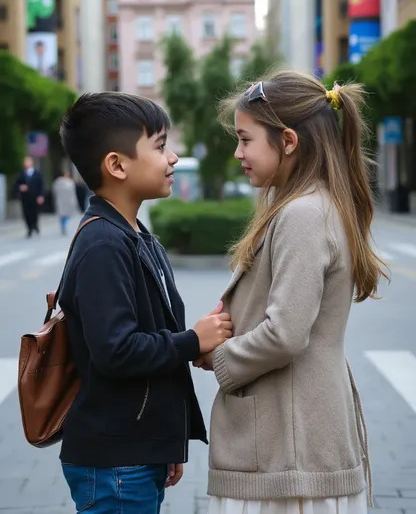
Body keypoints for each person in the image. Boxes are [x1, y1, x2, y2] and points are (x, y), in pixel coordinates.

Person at [194, 72, 388, 514]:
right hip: (293, 441)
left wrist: (218, 356)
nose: (238, 152)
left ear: (287, 141)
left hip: (290, 451)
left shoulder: (302, 214)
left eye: (245, 139)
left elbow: (285, 333)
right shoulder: (309, 205)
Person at [58, 92, 233, 514]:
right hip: (115, 458)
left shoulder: (135, 235)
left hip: (135, 450)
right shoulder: (104, 244)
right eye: (159, 146)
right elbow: (115, 350)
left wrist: (165, 439)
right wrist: (193, 340)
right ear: (117, 165)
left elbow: (151, 333)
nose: (172, 157)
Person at [14, 156, 44, 237]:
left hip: (35, 197)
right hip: (25, 198)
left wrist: (41, 196)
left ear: (31, 163)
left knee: (35, 212)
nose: (26, 164)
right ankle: (29, 228)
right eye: (25, 162)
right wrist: (20, 188)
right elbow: (16, 185)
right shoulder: (21, 174)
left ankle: (35, 225)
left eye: (27, 162)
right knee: (26, 213)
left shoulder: (37, 173)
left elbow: (41, 185)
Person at [52, 170, 78, 235]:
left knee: (66, 214)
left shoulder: (69, 181)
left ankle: (64, 225)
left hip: (67, 201)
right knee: (63, 214)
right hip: (63, 200)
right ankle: (63, 225)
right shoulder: (59, 181)